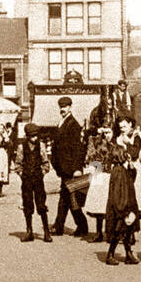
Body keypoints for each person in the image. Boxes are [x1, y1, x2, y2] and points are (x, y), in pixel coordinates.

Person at [51, 96, 89, 238]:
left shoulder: (73, 125)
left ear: (70, 107)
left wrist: (77, 168)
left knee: (67, 197)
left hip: (71, 168)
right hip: (63, 168)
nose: (62, 109)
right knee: (68, 198)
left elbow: (79, 149)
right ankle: (80, 226)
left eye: (65, 106)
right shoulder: (62, 123)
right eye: (61, 106)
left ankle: (60, 226)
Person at [103, 128, 141, 266]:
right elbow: (119, 193)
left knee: (126, 232)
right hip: (121, 208)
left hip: (125, 206)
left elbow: (132, 178)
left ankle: (128, 253)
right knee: (118, 232)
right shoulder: (118, 172)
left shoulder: (122, 169)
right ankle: (110, 254)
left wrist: (131, 167)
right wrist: (123, 210)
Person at [18, 123, 52, 242]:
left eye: (36, 136)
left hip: (38, 179)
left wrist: (42, 173)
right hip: (26, 180)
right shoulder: (21, 147)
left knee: (41, 205)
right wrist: (22, 174)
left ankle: (46, 232)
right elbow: (18, 164)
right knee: (27, 204)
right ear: (27, 136)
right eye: (32, 136)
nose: (35, 138)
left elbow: (46, 163)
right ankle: (29, 231)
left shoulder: (41, 146)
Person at [84, 124, 115, 243]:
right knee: (98, 203)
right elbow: (92, 156)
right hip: (99, 174)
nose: (107, 135)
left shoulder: (115, 145)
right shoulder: (97, 143)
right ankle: (98, 232)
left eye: (109, 132)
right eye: (105, 133)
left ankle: (110, 232)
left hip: (110, 175)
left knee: (109, 204)